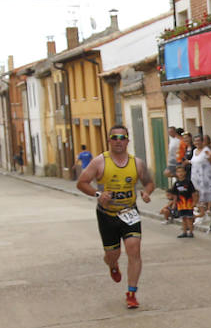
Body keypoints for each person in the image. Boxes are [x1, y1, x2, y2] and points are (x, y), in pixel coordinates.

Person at [76, 124, 155, 310]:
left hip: (129, 212)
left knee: (134, 250)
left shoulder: (137, 163)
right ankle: (112, 265)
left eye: (122, 138)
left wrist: (146, 192)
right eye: (114, 138)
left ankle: (132, 293)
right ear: (109, 140)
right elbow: (82, 183)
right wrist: (98, 194)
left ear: (128, 141)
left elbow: (149, 183)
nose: (118, 142)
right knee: (113, 254)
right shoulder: (99, 162)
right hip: (107, 215)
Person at [173, 162, 197, 238]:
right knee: (183, 218)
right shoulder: (176, 183)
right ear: (176, 173)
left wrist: (194, 202)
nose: (180, 173)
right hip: (180, 204)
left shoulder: (188, 182)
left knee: (189, 218)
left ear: (185, 172)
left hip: (188, 203)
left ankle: (191, 232)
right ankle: (184, 232)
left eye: (181, 172)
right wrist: (174, 203)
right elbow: (175, 194)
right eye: (178, 172)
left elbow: (193, 193)